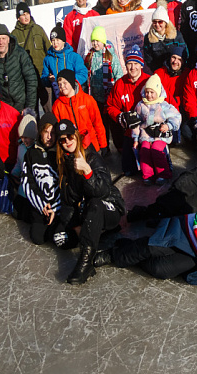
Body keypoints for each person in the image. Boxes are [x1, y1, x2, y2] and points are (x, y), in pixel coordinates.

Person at [54, 119, 126, 284]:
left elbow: (103, 191)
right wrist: (73, 226)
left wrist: (87, 171)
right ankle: (97, 235)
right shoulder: (64, 164)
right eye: (62, 140)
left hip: (109, 206)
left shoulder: (92, 157)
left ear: (77, 136)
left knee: (94, 203)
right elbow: (67, 201)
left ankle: (85, 263)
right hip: (87, 212)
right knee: (60, 239)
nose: (67, 142)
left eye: (70, 137)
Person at [13, 113, 65, 245]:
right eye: (46, 132)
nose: (49, 136)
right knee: (38, 238)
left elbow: (65, 183)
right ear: (40, 132)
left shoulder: (61, 152)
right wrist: (42, 205)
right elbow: (27, 182)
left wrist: (55, 207)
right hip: (41, 205)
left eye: (53, 132)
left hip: (58, 206)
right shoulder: (31, 154)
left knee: (60, 238)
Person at [107, 47, 150, 175]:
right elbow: (110, 106)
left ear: (141, 65)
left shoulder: (149, 80)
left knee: (148, 165)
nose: (133, 67)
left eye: (136, 64)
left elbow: (164, 102)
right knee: (127, 169)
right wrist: (121, 117)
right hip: (130, 131)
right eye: (129, 64)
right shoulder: (120, 83)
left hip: (148, 129)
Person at [132, 74, 182, 184]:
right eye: (147, 92)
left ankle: (164, 174)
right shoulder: (140, 105)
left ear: (158, 92)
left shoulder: (163, 105)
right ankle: (148, 175)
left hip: (160, 135)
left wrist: (168, 125)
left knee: (156, 149)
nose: (149, 95)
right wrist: (135, 139)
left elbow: (176, 116)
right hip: (146, 134)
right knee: (144, 150)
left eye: (152, 92)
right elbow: (135, 122)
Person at [0, 23, 39, 114]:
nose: (1, 42)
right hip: (4, 108)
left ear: (8, 39)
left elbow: (31, 80)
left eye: (3, 38)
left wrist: (29, 107)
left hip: (23, 104)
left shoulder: (20, 54)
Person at [50, 70, 107, 153]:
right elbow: (57, 130)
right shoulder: (57, 105)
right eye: (59, 84)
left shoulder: (87, 100)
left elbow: (97, 123)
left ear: (71, 82)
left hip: (91, 146)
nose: (62, 86)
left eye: (65, 83)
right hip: (71, 149)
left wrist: (103, 145)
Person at [11, 3, 50, 84]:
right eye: (23, 15)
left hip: (43, 74)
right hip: (26, 78)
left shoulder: (38, 29)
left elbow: (49, 50)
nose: (26, 17)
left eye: (27, 14)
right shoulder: (14, 35)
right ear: (18, 18)